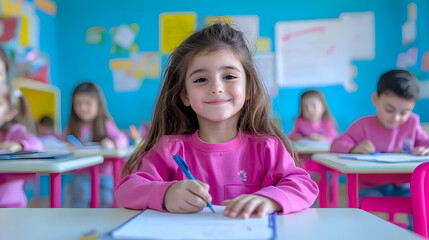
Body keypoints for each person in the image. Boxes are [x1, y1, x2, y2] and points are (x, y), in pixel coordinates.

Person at [115, 23, 318, 218]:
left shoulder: (267, 148)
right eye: (201, 79)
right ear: (185, 95)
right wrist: (166, 193)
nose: (216, 88)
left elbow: (304, 186)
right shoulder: (169, 149)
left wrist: (270, 200)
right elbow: (126, 190)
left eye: (229, 76)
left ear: (248, 89)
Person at [331, 69, 429, 228]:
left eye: (404, 112)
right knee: (368, 216)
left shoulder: (412, 123)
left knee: (424, 202)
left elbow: (426, 142)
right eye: (389, 109)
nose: (396, 117)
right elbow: (336, 145)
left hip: (404, 186)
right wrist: (354, 148)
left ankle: (417, 235)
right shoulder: (363, 125)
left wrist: (425, 149)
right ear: (375, 99)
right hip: (370, 186)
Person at [65, 81, 128, 207]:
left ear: (98, 105)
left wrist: (112, 143)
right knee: (80, 204)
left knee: (106, 203)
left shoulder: (105, 124)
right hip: (81, 175)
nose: (82, 108)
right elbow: (61, 140)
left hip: (104, 176)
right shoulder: (73, 127)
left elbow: (122, 139)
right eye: (78, 103)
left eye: (88, 103)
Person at [0, 83, 43, 207]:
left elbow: (36, 144)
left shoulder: (14, 131)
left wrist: (19, 144)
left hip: (10, 205)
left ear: (9, 114)